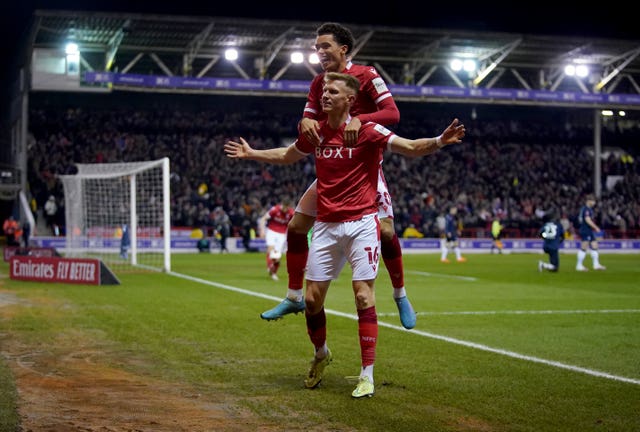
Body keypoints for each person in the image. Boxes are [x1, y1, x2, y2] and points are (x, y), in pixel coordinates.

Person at [225, 72, 465, 398]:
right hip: (325, 226)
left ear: (350, 100)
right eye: (324, 90)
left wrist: (438, 141)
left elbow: (408, 147)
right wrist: (252, 153)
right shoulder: (317, 132)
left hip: (361, 224)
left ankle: (367, 374)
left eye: (332, 91)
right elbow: (288, 155)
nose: (324, 95)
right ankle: (321, 354)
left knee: (364, 296)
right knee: (311, 301)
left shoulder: (367, 129)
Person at [261, 22, 417, 329]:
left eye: (324, 46)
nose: (319, 53)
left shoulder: (367, 75)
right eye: (316, 48)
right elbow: (308, 123)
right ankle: (293, 296)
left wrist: (359, 119)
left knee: (386, 232)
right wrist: (303, 123)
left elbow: (392, 114)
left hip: (363, 169)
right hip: (332, 168)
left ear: (343, 49)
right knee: (295, 227)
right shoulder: (319, 83)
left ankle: (400, 294)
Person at [258, 196, 295, 281]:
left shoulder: (291, 213)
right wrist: (262, 231)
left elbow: (294, 225)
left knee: (277, 257)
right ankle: (270, 266)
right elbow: (263, 219)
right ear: (282, 204)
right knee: (270, 249)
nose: (285, 209)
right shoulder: (275, 210)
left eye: (287, 207)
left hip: (282, 234)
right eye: (284, 207)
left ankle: (273, 272)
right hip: (271, 231)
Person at [575, 194, 606, 271]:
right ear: (589, 201)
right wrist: (596, 227)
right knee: (584, 247)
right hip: (585, 230)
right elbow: (587, 220)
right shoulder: (586, 209)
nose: (594, 203)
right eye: (593, 201)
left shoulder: (585, 209)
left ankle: (596, 265)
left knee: (594, 245)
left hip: (588, 230)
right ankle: (579, 265)